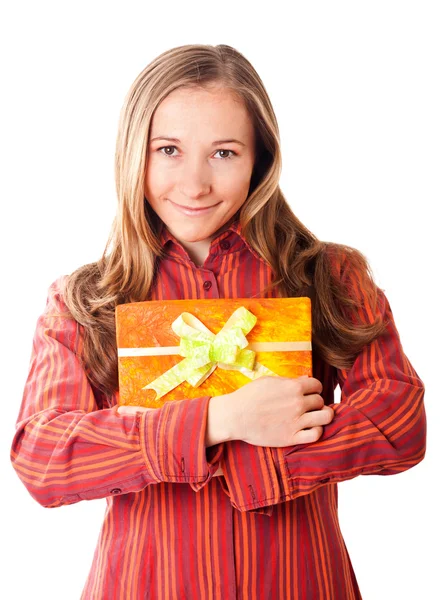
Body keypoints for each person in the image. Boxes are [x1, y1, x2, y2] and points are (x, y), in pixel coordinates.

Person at [10, 43, 426, 599]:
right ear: (136, 153)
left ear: (261, 158)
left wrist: (269, 453)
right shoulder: (84, 299)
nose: (195, 183)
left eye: (224, 153)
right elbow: (42, 456)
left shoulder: (333, 276)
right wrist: (219, 421)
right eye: (169, 150)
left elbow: (399, 421)